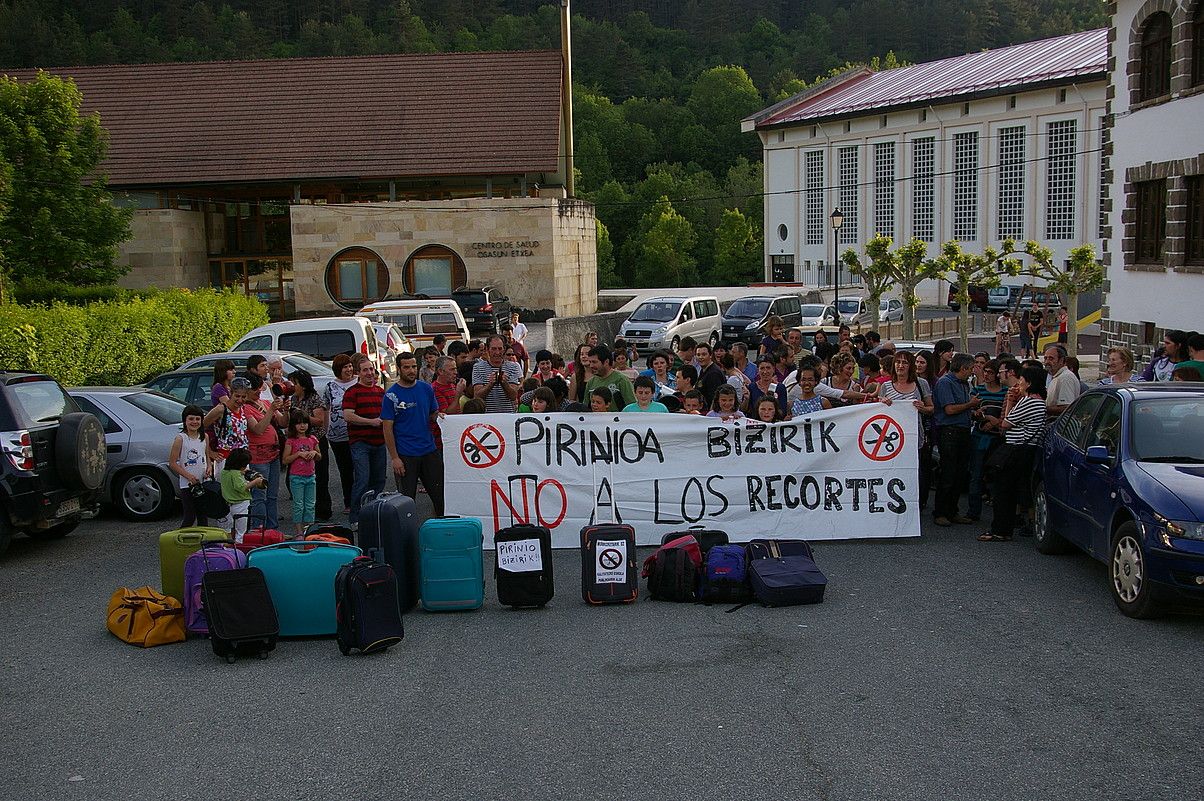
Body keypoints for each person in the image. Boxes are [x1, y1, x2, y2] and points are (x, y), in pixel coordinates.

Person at [979, 366, 1048, 542]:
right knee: (1007, 490)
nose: (1019, 383)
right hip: (1018, 448)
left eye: (1022, 380)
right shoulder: (1028, 401)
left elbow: (1006, 423)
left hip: (1019, 449)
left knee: (1004, 491)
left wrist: (1010, 401)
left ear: (1030, 383)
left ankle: (1001, 529)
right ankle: (1003, 527)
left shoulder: (1033, 402)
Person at [382, 351, 445, 516]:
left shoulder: (426, 389)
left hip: (429, 450)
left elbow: (432, 414)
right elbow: (387, 429)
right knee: (406, 503)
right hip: (406, 455)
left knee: (441, 497)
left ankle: (441, 532)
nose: (411, 370)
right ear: (399, 368)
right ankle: (407, 538)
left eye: (414, 366)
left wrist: (439, 416)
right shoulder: (391, 395)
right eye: (407, 367)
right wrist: (395, 458)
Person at [932, 353, 980, 526]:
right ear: (963, 368)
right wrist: (970, 405)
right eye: (971, 368)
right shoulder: (946, 383)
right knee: (948, 473)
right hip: (950, 431)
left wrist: (973, 412)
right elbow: (950, 410)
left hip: (963, 429)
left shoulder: (964, 384)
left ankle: (953, 510)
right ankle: (940, 512)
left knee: (960, 473)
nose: (972, 372)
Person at [342, 356, 387, 528]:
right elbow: (348, 415)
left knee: (379, 480)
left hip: (379, 443)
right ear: (358, 373)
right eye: (365, 370)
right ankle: (355, 517)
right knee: (362, 479)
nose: (370, 373)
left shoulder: (380, 392)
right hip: (361, 442)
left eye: (371, 369)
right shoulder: (352, 392)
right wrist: (371, 422)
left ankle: (373, 515)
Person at [243, 374, 288, 530]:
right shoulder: (245, 408)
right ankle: (259, 529)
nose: (258, 392)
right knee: (259, 496)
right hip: (258, 457)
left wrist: (286, 410)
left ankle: (272, 529)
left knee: (272, 495)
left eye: (259, 388)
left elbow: (282, 422)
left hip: (273, 454)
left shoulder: (263, 402)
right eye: (254, 389)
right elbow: (258, 429)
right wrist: (271, 410)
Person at [966, 359, 1006, 522]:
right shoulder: (978, 390)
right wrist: (976, 414)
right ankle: (973, 511)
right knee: (976, 474)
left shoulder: (1006, 391)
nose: (987, 375)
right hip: (980, 435)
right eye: (985, 371)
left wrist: (994, 421)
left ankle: (999, 512)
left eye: (990, 372)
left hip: (998, 438)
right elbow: (970, 410)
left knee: (997, 476)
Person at [323, 354, 359, 515]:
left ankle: (362, 500)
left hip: (358, 433)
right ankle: (349, 501)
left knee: (360, 467)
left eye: (350, 366)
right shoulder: (330, 386)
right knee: (345, 470)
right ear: (338, 369)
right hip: (337, 436)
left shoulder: (360, 382)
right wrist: (326, 430)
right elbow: (326, 409)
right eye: (345, 367)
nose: (349, 369)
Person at [169, 404, 212, 528]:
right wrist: (188, 476)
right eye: (191, 419)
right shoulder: (180, 438)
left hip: (202, 482)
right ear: (185, 421)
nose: (195, 422)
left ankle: (203, 544)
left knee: (203, 516)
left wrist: (209, 467)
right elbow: (172, 463)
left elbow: (207, 456)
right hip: (187, 484)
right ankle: (180, 543)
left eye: (197, 419)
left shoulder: (205, 437)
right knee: (190, 516)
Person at [282, 410, 320, 538]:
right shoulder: (291, 441)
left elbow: (320, 456)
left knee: (310, 504)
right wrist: (298, 454)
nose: (302, 426)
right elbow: (285, 459)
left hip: (311, 476)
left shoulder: (313, 439)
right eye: (298, 424)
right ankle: (299, 531)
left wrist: (314, 453)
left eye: (305, 423)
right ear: (293, 425)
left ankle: (309, 529)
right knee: (298, 504)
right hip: (296, 477)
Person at [220, 448, 264, 543]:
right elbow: (241, 487)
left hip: (227, 504)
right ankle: (239, 550)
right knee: (241, 532)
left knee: (229, 530)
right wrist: (255, 481)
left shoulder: (224, 472)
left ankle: (228, 549)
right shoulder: (235, 474)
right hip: (240, 504)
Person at [473, 335, 523, 413]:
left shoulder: (513, 367)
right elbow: (477, 396)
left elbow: (513, 396)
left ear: (504, 350)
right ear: (487, 350)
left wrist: (505, 384)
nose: (497, 352)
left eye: (500, 349)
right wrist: (490, 384)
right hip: (487, 416)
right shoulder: (478, 367)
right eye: (493, 349)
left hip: (507, 415)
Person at [585, 345, 637, 411]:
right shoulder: (591, 382)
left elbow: (632, 408)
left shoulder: (621, 380)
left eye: (594, 362)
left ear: (606, 361)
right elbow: (586, 408)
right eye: (590, 362)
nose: (591, 365)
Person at [1043, 344, 1079, 419]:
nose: (1047, 362)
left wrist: (1041, 408)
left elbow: (1067, 407)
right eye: (1045, 358)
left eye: (1051, 358)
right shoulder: (1057, 376)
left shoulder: (1065, 378)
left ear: (1061, 360)